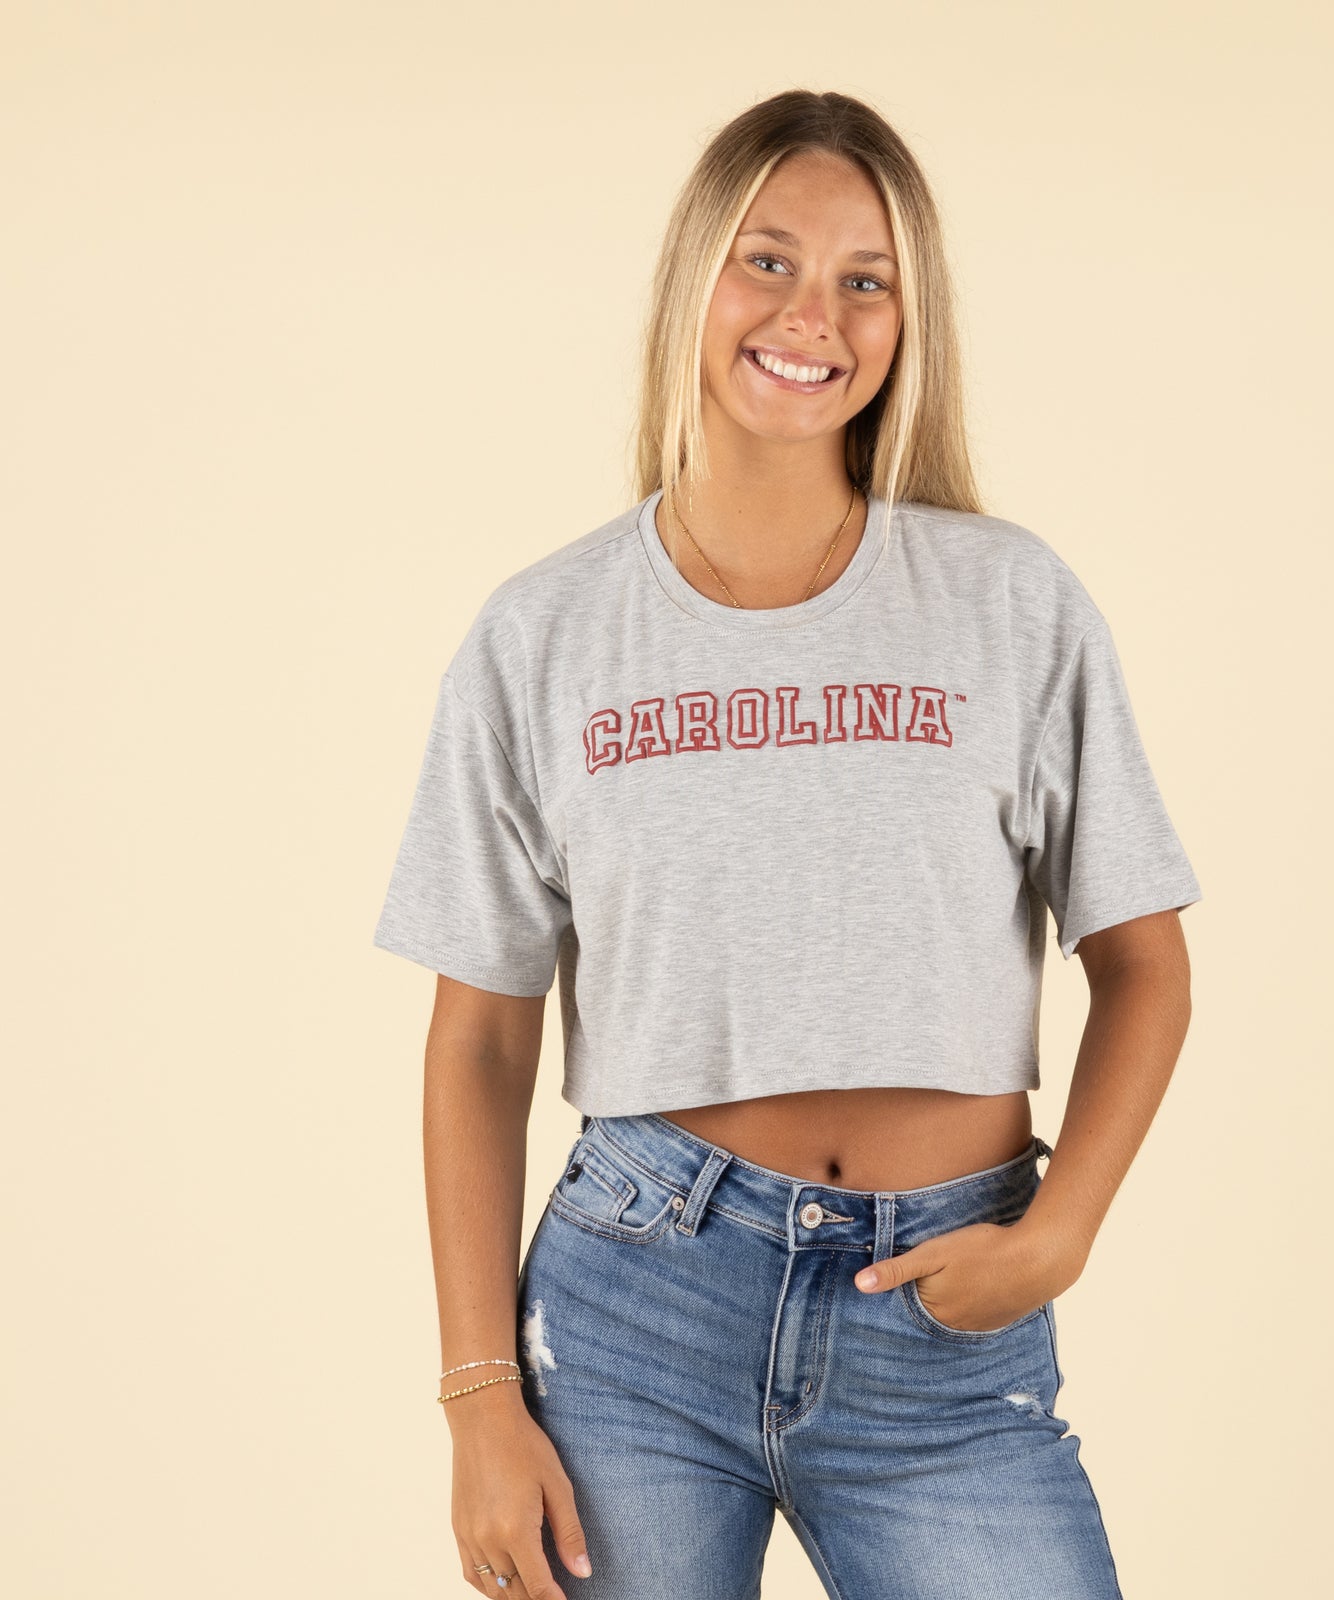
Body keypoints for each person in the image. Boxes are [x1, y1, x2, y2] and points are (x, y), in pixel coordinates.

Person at [373, 88, 1201, 1600]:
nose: (812, 314)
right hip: (636, 1312)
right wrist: (479, 1398)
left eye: (864, 279)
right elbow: (481, 1037)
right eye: (769, 261)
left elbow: (1145, 963)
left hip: (943, 1319)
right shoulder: (544, 633)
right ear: (695, 277)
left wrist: (1060, 1232)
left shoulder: (1008, 603)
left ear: (908, 319)